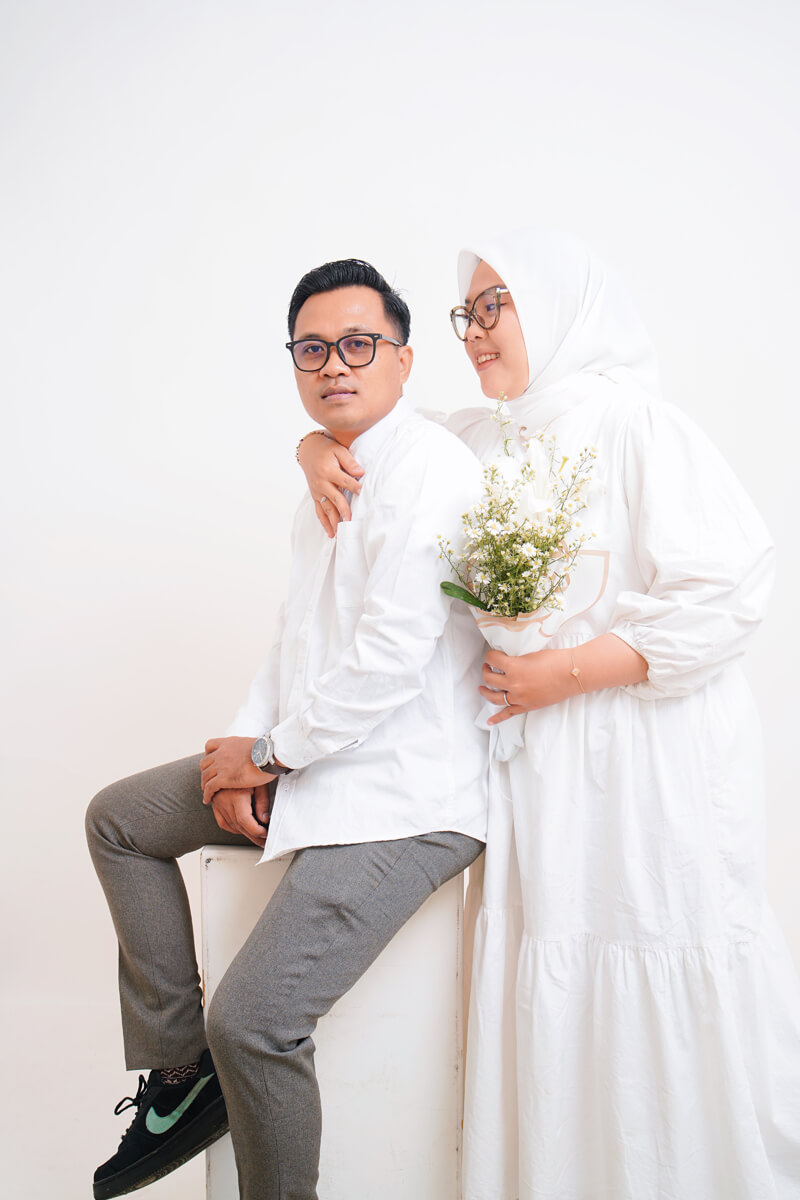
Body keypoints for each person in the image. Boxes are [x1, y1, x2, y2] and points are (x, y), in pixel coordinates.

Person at [297, 231, 800, 1198]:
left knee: (651, 937)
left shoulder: (637, 425)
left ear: (564, 308)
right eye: (468, 312)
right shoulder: (484, 438)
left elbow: (728, 591)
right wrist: (314, 445)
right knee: (560, 964)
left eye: (498, 306)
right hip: (544, 774)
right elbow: (379, 435)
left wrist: (563, 672)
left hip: (650, 761)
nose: (475, 331)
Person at [86, 258, 489, 1200]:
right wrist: (241, 752)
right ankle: (181, 1076)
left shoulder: (430, 469)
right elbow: (293, 641)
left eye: (358, 344)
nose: (334, 363)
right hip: (316, 759)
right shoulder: (329, 476)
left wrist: (270, 755)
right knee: (120, 820)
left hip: (409, 800)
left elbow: (391, 658)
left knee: (255, 1024)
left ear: (404, 359)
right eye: (312, 348)